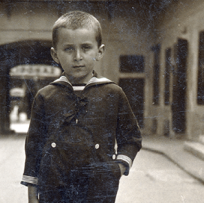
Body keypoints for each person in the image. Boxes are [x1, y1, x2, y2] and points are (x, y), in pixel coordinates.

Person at [21, 10, 142, 203]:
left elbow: (131, 137)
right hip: (54, 189)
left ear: (99, 51)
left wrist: (117, 168)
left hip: (98, 190)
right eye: (68, 49)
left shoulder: (112, 93)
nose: (77, 56)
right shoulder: (46, 96)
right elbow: (34, 147)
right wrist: (31, 192)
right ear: (55, 54)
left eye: (86, 48)